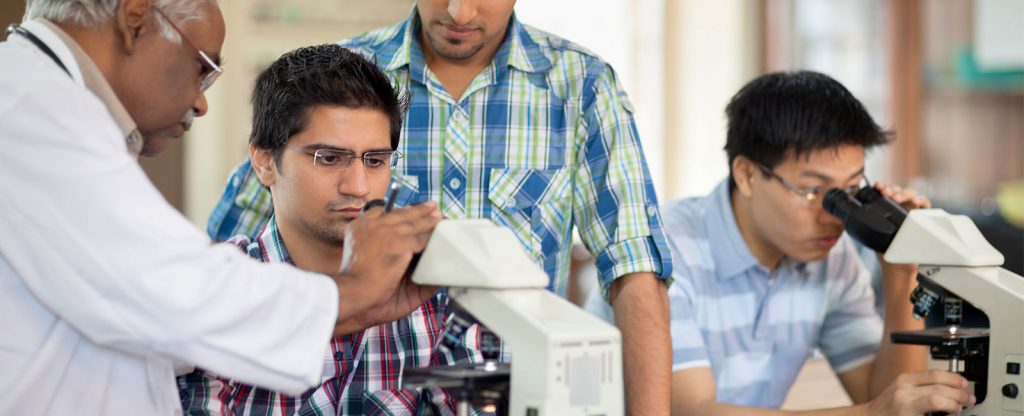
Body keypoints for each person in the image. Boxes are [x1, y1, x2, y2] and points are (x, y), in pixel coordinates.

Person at [207, 0, 674, 412]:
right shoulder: (348, 76)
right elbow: (227, 248)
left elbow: (634, 270)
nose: (459, 12)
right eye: (330, 158)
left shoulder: (581, 87)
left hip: (519, 383)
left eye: (375, 160)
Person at [0, 1, 439, 414]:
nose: (201, 102)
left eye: (376, 160)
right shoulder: (29, 111)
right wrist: (356, 290)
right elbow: (176, 294)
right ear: (135, 17)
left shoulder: (42, 104)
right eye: (203, 68)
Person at [177, 44, 482, 416]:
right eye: (330, 158)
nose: (357, 186)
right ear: (264, 162)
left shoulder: (430, 290)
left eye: (375, 160)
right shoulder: (214, 292)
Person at [665, 71, 975, 415]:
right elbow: (692, 411)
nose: (833, 216)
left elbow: (890, 395)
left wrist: (900, 266)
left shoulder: (832, 256)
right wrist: (870, 414)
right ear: (747, 175)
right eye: (813, 191)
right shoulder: (669, 248)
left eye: (850, 190)